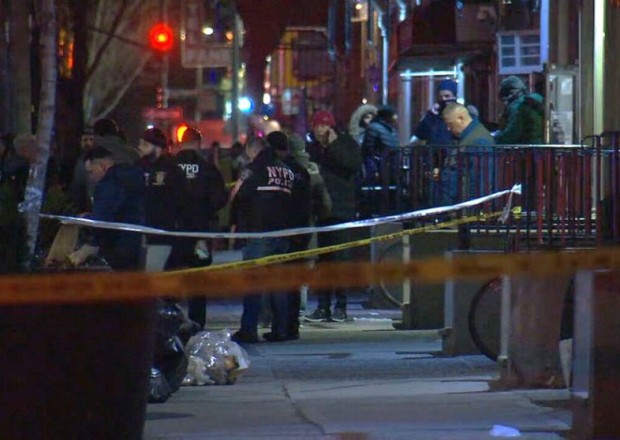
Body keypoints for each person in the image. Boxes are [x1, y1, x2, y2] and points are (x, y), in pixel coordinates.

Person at [267, 131, 330, 339]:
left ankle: (280, 327)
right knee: (296, 281)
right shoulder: (309, 170)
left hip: (283, 231)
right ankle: (293, 326)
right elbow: (325, 204)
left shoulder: (280, 171)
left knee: (279, 281)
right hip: (305, 231)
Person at [231, 137, 294, 343]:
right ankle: (281, 329)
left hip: (258, 232)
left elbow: (238, 196)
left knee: (253, 283)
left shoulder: (253, 169)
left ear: (252, 151)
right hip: (282, 233)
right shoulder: (286, 170)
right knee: (278, 284)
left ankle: (249, 329)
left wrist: (234, 223)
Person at [166, 127, 228, 328]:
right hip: (200, 232)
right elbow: (220, 199)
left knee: (170, 277)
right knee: (198, 280)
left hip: (172, 232)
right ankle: (197, 324)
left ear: (180, 143)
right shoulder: (207, 168)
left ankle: (170, 321)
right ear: (199, 143)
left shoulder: (169, 166)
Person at [305, 110, 362, 323]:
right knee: (323, 261)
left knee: (341, 260)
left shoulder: (345, 144)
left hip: (341, 211)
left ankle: (341, 306)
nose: (320, 130)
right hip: (321, 212)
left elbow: (352, 165)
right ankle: (323, 306)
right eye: (317, 126)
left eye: (324, 126)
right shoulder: (313, 149)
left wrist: (334, 144)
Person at [68, 147, 145, 271]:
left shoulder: (108, 184)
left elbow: (103, 218)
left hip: (115, 245)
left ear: (102, 166)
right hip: (135, 242)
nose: (90, 177)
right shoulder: (132, 178)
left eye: (91, 172)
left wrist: (84, 219)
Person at [136, 127, 177, 272]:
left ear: (158, 148)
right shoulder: (138, 166)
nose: (140, 148)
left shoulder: (171, 168)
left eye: (145, 145)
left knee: (154, 273)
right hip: (139, 231)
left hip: (161, 233)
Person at [442, 103, 496, 201]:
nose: (448, 129)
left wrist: (474, 205)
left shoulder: (479, 141)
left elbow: (481, 181)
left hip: (464, 203)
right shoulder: (470, 136)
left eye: (450, 124)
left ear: (461, 119)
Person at [361, 105, 399, 215]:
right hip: (379, 165)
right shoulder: (377, 128)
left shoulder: (386, 128)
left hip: (384, 164)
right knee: (380, 191)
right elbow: (369, 149)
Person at [495, 75, 544, 145]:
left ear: (509, 93)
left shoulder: (518, 106)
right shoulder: (536, 100)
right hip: (540, 146)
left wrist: (494, 139)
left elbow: (512, 133)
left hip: (526, 148)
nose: (505, 102)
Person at [68, 126, 96, 212]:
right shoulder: (74, 159)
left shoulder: (97, 159)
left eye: (91, 140)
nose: (88, 143)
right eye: (85, 140)